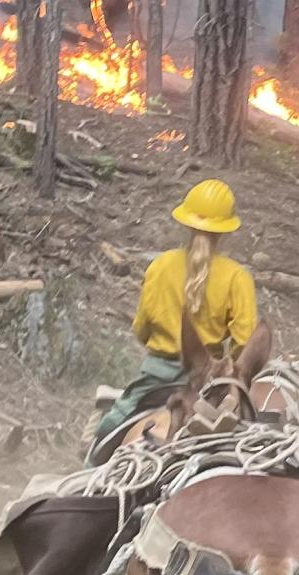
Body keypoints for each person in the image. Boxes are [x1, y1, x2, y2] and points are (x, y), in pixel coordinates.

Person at [91, 179, 258, 447]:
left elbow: (142, 328)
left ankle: (90, 469)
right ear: (227, 231)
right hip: (211, 382)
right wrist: (224, 365)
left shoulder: (161, 265)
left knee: (111, 424)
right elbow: (245, 342)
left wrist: (159, 344)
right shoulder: (237, 277)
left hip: (158, 372)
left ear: (185, 223)